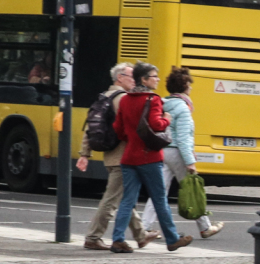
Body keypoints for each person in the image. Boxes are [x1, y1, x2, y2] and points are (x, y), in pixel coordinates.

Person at [109, 63, 193, 253]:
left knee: (127, 200)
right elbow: (156, 124)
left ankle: (118, 239)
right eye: (154, 76)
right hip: (150, 156)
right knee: (159, 199)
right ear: (144, 80)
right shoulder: (153, 99)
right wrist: (167, 120)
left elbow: (119, 129)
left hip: (129, 156)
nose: (157, 79)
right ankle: (172, 239)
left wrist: (132, 138)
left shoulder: (125, 99)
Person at [77, 63, 155, 250]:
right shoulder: (123, 99)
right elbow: (134, 126)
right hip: (123, 156)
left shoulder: (104, 96)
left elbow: (90, 128)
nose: (135, 80)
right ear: (119, 77)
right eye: (131, 76)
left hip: (111, 155)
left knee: (124, 198)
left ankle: (141, 234)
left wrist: (84, 153)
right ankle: (93, 237)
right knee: (112, 199)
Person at [139, 67, 223, 238]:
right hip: (177, 153)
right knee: (193, 190)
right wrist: (190, 161)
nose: (191, 89)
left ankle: (144, 227)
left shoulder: (162, 104)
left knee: (159, 191)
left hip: (162, 152)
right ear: (184, 86)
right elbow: (184, 138)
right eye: (189, 85)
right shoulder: (183, 109)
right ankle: (205, 227)